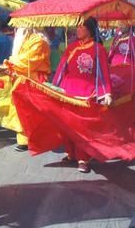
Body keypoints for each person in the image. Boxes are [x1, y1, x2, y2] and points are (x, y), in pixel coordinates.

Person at [53, 17, 112, 173]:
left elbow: (103, 73)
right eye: (77, 26)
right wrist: (54, 88)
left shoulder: (98, 49)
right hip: (67, 92)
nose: (77, 29)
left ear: (90, 29)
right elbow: (61, 70)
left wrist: (106, 93)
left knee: (83, 128)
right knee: (67, 125)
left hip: (87, 94)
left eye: (81, 27)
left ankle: (83, 158)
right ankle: (71, 154)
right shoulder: (71, 48)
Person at [5, 28, 51, 152]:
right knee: (20, 109)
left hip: (33, 80)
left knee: (32, 110)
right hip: (21, 79)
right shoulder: (24, 39)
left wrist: (9, 63)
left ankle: (34, 139)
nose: (16, 29)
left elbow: (28, 61)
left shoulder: (39, 41)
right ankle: (24, 140)